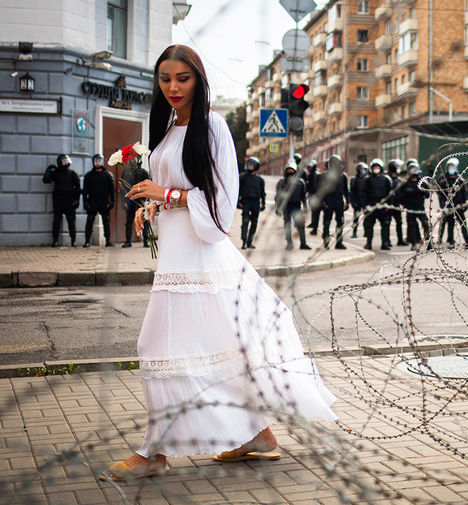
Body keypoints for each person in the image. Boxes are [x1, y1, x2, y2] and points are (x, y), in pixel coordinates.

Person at [106, 45, 336, 481]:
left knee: (159, 348)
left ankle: (154, 452)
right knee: (216, 351)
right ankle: (258, 436)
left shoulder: (212, 126)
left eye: (182, 78)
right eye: (165, 79)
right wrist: (151, 207)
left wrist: (164, 196)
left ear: (199, 80)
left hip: (202, 261)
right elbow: (177, 189)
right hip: (178, 258)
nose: (172, 87)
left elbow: (220, 206)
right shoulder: (170, 126)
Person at [43, 154, 80, 247]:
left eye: (66, 161)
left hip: (69, 200)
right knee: (56, 220)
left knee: (71, 221)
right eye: (64, 161)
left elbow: (78, 188)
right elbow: (46, 180)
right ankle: (55, 240)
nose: (66, 163)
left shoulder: (72, 173)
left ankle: (73, 241)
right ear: (60, 162)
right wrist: (48, 170)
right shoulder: (55, 173)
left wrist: (76, 199)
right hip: (58, 200)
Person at [275, 160, 311, 250]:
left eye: (292, 170)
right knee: (287, 225)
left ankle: (303, 243)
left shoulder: (300, 182)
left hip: (296, 206)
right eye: (288, 171)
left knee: (300, 225)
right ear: (285, 171)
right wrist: (278, 208)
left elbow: (303, 196)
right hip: (286, 206)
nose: (290, 172)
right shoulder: (282, 182)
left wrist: (305, 206)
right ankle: (289, 243)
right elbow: (278, 196)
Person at [436, 158, 468, 248]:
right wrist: (443, 205)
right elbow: (441, 195)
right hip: (449, 206)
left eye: (453, 167)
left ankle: (467, 241)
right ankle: (451, 242)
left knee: (463, 224)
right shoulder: (444, 181)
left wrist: (465, 204)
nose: (451, 169)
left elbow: (464, 193)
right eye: (450, 167)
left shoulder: (460, 180)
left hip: (458, 205)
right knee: (450, 224)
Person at [82, 154, 115, 247]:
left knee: (106, 221)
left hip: (104, 200)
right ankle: (87, 241)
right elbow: (85, 190)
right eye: (96, 161)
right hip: (92, 200)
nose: (98, 163)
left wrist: (112, 201)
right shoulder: (89, 175)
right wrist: (85, 202)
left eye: (100, 161)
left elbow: (112, 190)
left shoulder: (108, 175)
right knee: (90, 220)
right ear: (93, 162)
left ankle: (108, 240)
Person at [320, 155, 350, 249]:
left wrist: (347, 202)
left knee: (340, 222)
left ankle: (339, 242)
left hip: (339, 200)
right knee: (327, 222)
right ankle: (326, 243)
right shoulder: (325, 175)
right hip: (328, 199)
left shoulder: (343, 176)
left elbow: (346, 190)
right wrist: (323, 203)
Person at [121, 154, 151, 248]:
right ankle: (128, 241)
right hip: (130, 199)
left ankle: (146, 240)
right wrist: (124, 201)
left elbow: (148, 186)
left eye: (133, 159)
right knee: (129, 220)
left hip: (141, 198)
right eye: (130, 160)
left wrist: (146, 200)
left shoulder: (143, 172)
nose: (132, 161)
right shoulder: (126, 173)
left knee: (145, 219)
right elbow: (123, 188)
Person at [362, 158, 392, 250]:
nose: (376, 169)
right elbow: (363, 193)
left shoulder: (386, 179)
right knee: (369, 225)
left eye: (377, 167)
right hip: (371, 204)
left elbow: (390, 193)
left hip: (382, 205)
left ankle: (385, 243)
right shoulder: (367, 180)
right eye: (374, 167)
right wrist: (365, 206)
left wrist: (388, 205)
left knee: (385, 225)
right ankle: (368, 243)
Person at [400, 160, 431, 248]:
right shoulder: (405, 184)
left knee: (425, 223)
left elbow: (428, 195)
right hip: (410, 207)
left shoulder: (422, 182)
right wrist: (406, 193)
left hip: (419, 207)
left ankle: (428, 243)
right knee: (411, 225)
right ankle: (413, 243)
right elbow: (400, 197)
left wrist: (422, 191)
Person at [237, 157, 265, 249]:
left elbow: (262, 193)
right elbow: (238, 190)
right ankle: (244, 241)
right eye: (249, 165)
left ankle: (250, 242)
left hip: (256, 202)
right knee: (245, 221)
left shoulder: (260, 180)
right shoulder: (242, 177)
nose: (250, 167)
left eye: (252, 165)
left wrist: (263, 203)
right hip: (246, 201)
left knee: (254, 223)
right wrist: (238, 202)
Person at [386, 159, 406, 247]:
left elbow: (402, 193)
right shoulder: (387, 178)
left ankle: (400, 240)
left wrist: (403, 203)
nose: (398, 169)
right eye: (396, 167)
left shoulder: (398, 180)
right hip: (389, 204)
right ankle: (387, 241)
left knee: (399, 222)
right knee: (387, 223)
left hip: (397, 204)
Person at [349, 162, 368, 238]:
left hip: (365, 202)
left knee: (366, 218)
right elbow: (351, 192)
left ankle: (366, 232)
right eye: (362, 169)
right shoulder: (354, 180)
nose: (363, 171)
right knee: (356, 218)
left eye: (364, 169)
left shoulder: (367, 179)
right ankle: (354, 232)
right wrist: (353, 202)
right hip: (357, 201)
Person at [306, 159, 324, 234]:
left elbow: (315, 187)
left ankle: (315, 229)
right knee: (313, 211)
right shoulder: (312, 174)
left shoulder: (316, 175)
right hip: (313, 196)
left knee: (316, 212)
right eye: (308, 167)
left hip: (316, 196)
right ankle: (313, 224)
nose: (309, 169)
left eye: (310, 167)